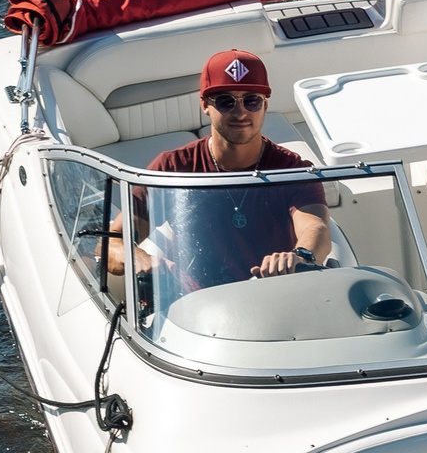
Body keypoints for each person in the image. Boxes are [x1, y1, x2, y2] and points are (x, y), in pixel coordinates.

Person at [119, 50, 333, 297]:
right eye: (226, 101)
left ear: (265, 105)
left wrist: (301, 256)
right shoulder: (172, 168)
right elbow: (111, 242)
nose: (240, 113)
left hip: (276, 296)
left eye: (251, 100)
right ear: (205, 106)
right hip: (196, 305)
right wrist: (137, 256)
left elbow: (317, 230)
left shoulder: (292, 169)